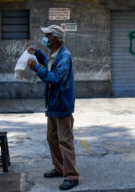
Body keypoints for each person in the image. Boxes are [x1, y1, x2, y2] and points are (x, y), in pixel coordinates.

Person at [27, 25, 79, 191]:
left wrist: (36, 67)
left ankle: (71, 176)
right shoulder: (54, 54)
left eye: (47, 36)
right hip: (53, 104)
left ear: (55, 39)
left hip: (62, 105)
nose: (45, 38)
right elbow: (49, 66)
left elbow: (56, 77)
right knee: (52, 139)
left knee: (65, 142)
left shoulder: (65, 56)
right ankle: (59, 168)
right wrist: (37, 54)